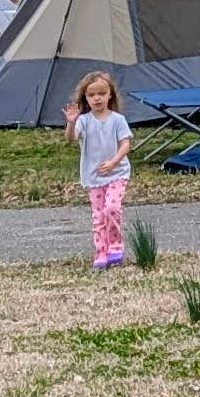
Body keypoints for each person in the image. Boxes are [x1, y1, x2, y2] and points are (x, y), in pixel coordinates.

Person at [66, 71, 134, 269]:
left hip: (117, 173)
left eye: (101, 94)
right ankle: (101, 251)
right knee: (98, 216)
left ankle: (115, 246)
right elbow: (71, 138)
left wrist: (114, 162)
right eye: (92, 95)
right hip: (93, 176)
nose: (97, 98)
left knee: (112, 208)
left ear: (110, 95)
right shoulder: (84, 121)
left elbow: (125, 144)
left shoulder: (118, 120)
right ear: (86, 98)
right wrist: (71, 122)